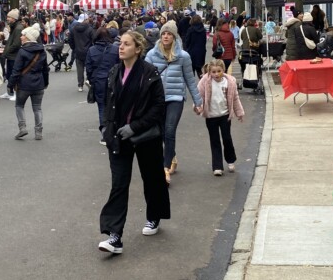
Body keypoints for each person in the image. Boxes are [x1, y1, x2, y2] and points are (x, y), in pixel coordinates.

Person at [98, 30, 169, 255]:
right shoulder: (114, 72)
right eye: (120, 43)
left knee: (153, 179)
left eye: (126, 44)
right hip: (119, 138)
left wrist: (135, 127)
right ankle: (114, 236)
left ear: (138, 49)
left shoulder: (150, 73)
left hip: (145, 136)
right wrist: (106, 129)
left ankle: (154, 217)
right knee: (119, 184)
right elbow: (108, 104)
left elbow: (159, 107)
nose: (121, 47)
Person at [146, 21, 202, 185]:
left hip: (175, 98)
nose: (166, 36)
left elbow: (190, 81)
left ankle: (164, 168)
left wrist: (198, 102)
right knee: (162, 133)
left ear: (174, 36)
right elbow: (146, 81)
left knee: (170, 130)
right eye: (163, 33)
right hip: (157, 100)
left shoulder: (183, 56)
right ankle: (172, 156)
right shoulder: (151, 55)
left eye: (169, 34)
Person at [196, 58, 245, 176]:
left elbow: (235, 99)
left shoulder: (230, 82)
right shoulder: (204, 81)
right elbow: (199, 96)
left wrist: (239, 113)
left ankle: (230, 160)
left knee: (227, 138)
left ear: (223, 70)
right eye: (213, 72)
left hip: (225, 115)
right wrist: (198, 107)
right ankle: (217, 166)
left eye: (219, 71)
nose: (216, 74)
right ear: (209, 72)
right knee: (215, 140)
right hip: (211, 116)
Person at [9, 26, 49, 140]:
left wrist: (10, 84)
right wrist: (45, 82)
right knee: (37, 108)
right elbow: (45, 69)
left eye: (23, 35)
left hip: (24, 84)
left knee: (19, 105)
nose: (21, 37)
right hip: (39, 83)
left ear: (28, 37)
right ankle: (38, 132)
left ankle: (22, 128)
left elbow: (16, 70)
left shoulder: (22, 51)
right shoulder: (42, 50)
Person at [85, 27, 120, 142]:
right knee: (114, 106)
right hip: (113, 81)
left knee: (102, 107)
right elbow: (120, 66)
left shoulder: (92, 50)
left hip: (99, 81)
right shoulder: (115, 49)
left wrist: (92, 80)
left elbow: (89, 68)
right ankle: (114, 131)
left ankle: (105, 133)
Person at [69, 13, 94, 92]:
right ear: (86, 20)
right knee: (89, 67)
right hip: (88, 51)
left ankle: (80, 85)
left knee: (80, 69)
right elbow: (93, 39)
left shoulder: (73, 29)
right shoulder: (90, 29)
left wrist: (74, 48)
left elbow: (70, 40)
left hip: (78, 51)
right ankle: (88, 80)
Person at [2, 10, 24, 99]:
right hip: (12, 55)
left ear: (14, 18)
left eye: (9, 17)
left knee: (14, 74)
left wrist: (7, 51)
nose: (7, 19)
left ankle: (15, 93)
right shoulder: (15, 27)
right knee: (9, 74)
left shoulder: (18, 28)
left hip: (14, 55)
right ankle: (10, 91)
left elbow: (16, 44)